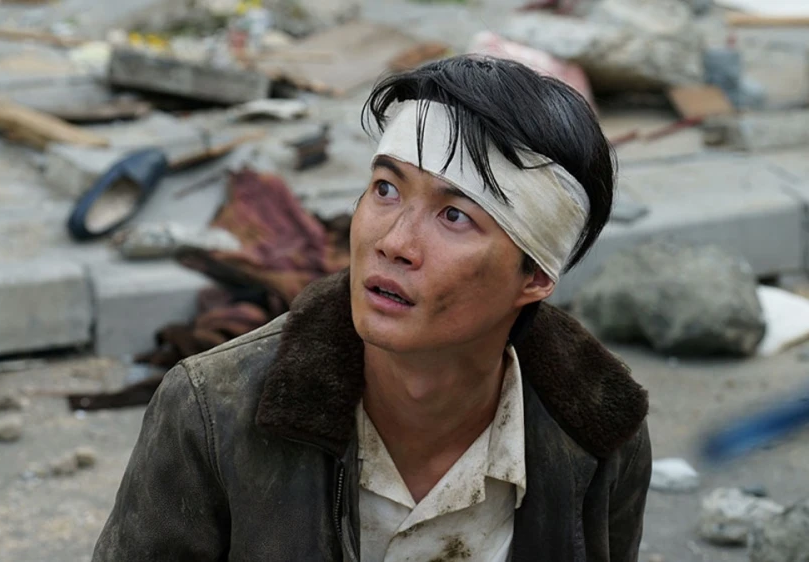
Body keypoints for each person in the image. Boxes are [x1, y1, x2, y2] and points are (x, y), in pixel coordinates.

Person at [92, 55, 651, 562]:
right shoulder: (213, 412)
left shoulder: (600, 433)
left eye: (455, 216)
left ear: (535, 276)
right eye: (386, 189)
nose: (394, 242)